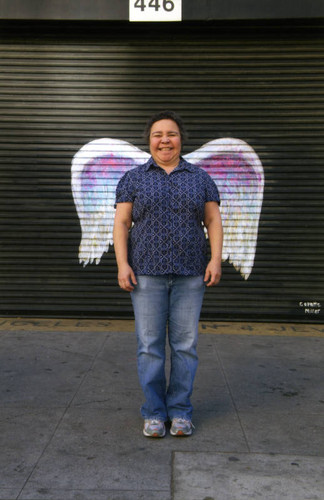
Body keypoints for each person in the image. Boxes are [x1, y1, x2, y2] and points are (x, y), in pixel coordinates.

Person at [113, 110, 223, 438]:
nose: (164, 140)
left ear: (180, 139)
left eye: (171, 134)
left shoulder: (200, 178)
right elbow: (121, 223)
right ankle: (154, 413)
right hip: (146, 274)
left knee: (185, 345)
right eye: (158, 134)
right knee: (149, 345)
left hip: (190, 274)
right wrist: (122, 264)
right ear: (149, 141)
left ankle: (180, 411)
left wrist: (215, 259)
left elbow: (213, 221)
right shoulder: (133, 178)